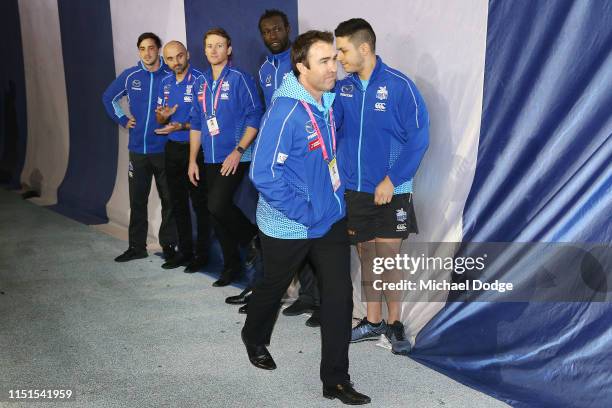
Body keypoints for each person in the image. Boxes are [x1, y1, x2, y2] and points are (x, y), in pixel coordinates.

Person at [242, 30, 370, 405]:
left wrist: (332, 202)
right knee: (272, 288)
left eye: (335, 57)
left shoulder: (326, 102)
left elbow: (326, 157)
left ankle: (336, 380)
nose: (335, 66)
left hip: (327, 219)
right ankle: (254, 335)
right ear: (301, 68)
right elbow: (263, 174)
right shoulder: (285, 111)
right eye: (325, 61)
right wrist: (305, 211)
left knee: (339, 297)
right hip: (288, 224)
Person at [333, 18, 429, 346]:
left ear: (364, 48)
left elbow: (419, 138)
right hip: (355, 190)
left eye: (343, 50)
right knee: (366, 255)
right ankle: (372, 320)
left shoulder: (400, 86)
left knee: (388, 258)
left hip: (391, 190)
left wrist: (392, 179)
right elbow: (334, 129)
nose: (340, 57)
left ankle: (395, 323)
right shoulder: (342, 87)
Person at [226, 9, 321, 327]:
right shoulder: (265, 69)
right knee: (282, 227)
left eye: (277, 29)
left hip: (305, 158)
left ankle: (317, 297)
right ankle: (291, 292)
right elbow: (267, 113)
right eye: (266, 32)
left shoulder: (302, 63)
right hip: (278, 162)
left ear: (288, 29)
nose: (273, 36)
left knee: (309, 225)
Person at [188, 28, 263, 287]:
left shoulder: (240, 78)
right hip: (209, 157)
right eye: (209, 45)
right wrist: (191, 160)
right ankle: (231, 267)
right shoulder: (200, 81)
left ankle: (254, 237)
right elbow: (197, 122)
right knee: (216, 214)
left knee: (217, 205)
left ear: (229, 49)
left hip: (236, 155)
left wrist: (239, 150)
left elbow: (255, 116)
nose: (213, 50)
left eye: (219, 45)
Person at [102, 32, 177, 262]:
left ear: (159, 50)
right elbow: (108, 98)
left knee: (170, 201)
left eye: (152, 48)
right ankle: (137, 247)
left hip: (165, 150)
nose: (147, 53)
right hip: (138, 151)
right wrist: (124, 120)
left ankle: (170, 248)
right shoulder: (130, 76)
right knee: (137, 201)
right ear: (138, 51)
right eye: (143, 48)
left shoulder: (171, 75)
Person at [154, 41, 210, 272]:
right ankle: (184, 251)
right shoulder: (165, 82)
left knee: (200, 205)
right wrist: (164, 118)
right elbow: (160, 119)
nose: (175, 62)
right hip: (172, 148)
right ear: (164, 60)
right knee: (177, 203)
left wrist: (181, 126)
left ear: (187, 54)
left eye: (179, 56)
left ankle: (202, 255)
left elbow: (206, 120)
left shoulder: (200, 80)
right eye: (169, 59)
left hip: (196, 149)